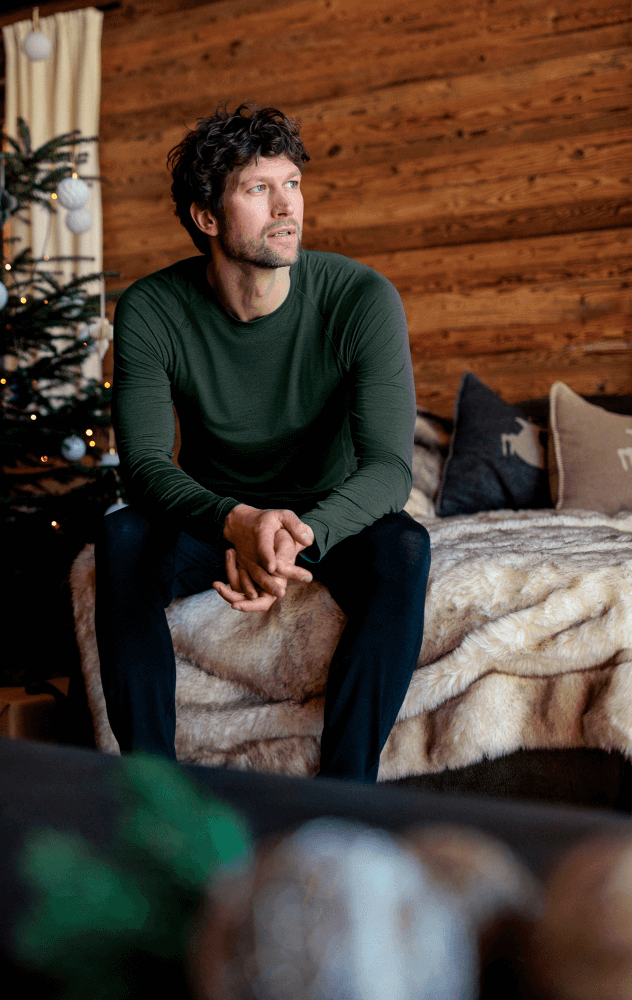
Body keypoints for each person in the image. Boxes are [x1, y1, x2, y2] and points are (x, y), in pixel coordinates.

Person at [97, 103, 430, 781]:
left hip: (326, 514)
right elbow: (143, 467)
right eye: (258, 189)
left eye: (293, 184)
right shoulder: (151, 309)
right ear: (207, 217)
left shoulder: (360, 297)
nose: (287, 206)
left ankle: (347, 793)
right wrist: (236, 521)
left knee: (404, 545)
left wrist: (297, 535)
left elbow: (390, 468)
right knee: (122, 539)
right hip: (218, 513)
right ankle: (152, 796)